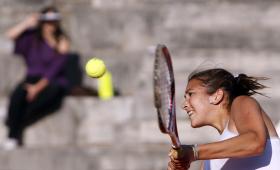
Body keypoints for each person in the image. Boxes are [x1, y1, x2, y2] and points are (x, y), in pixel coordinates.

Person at [167, 68, 280, 170]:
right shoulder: (207, 163)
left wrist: (194, 152)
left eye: (190, 94)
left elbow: (255, 142)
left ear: (217, 96)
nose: (184, 105)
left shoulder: (241, 102)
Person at [3, 6, 70, 149]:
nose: (50, 25)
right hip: (31, 78)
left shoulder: (62, 42)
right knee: (19, 94)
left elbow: (54, 70)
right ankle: (12, 133)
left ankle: (11, 122)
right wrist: (27, 23)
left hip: (52, 82)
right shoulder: (32, 39)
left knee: (46, 97)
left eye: (53, 22)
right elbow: (10, 36)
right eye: (47, 21)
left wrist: (37, 88)